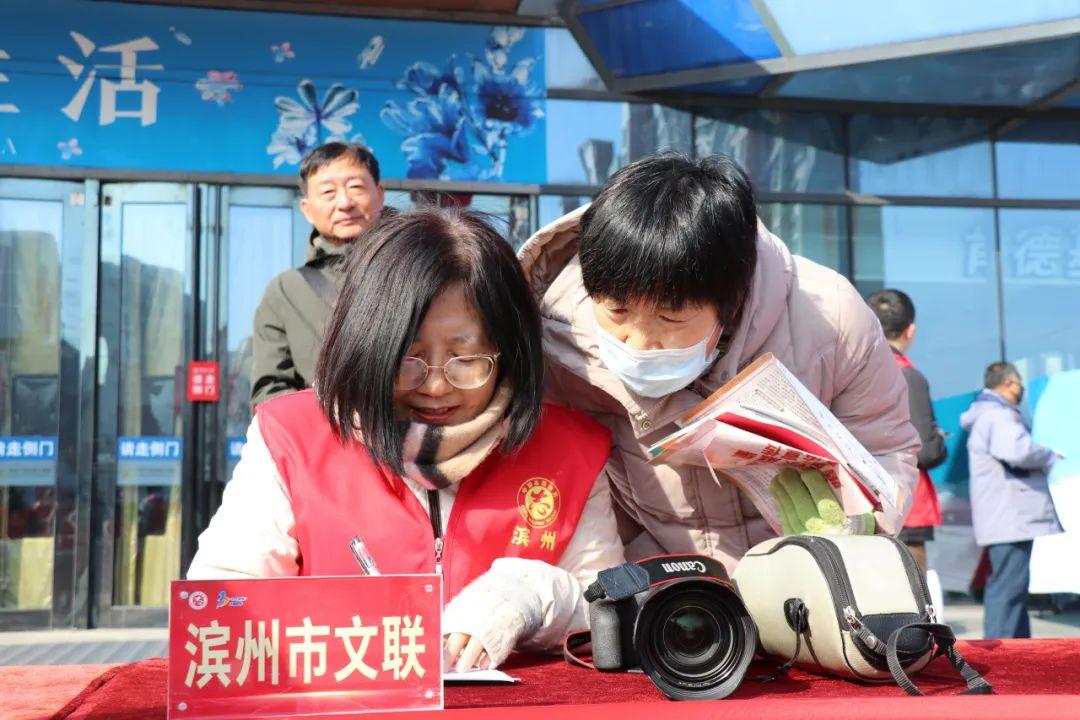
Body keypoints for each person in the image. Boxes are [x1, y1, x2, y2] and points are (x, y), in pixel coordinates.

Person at [191, 208, 624, 671]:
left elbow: (610, 612)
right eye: (405, 359)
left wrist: (530, 596)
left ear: (510, 352)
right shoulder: (291, 435)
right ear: (365, 346)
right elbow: (222, 601)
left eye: (466, 359)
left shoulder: (569, 451)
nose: (435, 386)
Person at [518, 153, 919, 571]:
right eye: (617, 311)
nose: (639, 343)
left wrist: (856, 528)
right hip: (648, 581)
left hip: (793, 576)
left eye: (671, 319)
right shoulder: (554, 336)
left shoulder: (832, 320)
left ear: (732, 302)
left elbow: (885, 448)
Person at [250, 142, 386, 407]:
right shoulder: (286, 291)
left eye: (356, 187)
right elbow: (270, 393)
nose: (344, 202)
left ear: (379, 194)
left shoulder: (419, 271)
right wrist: (331, 418)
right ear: (307, 209)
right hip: (324, 431)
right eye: (328, 192)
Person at [961, 361, 1062, 639]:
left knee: (1011, 585)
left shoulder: (988, 414)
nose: (1022, 390)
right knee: (1008, 587)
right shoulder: (998, 415)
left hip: (1005, 514)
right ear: (1007, 383)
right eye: (1019, 384)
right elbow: (1019, 451)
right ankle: (1002, 650)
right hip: (1010, 514)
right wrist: (1049, 455)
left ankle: (1018, 648)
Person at [867, 289, 947, 573]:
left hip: (865, 498)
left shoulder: (857, 372)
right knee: (910, 587)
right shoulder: (907, 375)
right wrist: (940, 440)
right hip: (906, 503)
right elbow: (925, 451)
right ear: (910, 330)